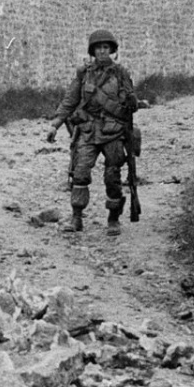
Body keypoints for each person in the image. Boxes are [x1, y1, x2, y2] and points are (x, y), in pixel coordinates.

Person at [46, 29, 139, 236]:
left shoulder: (121, 73)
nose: (102, 52)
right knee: (79, 173)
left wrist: (130, 100)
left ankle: (113, 218)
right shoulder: (84, 73)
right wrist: (55, 124)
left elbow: (132, 104)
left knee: (112, 176)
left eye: (106, 48)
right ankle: (76, 217)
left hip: (113, 131)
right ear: (92, 51)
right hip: (88, 130)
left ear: (112, 50)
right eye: (98, 48)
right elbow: (69, 101)